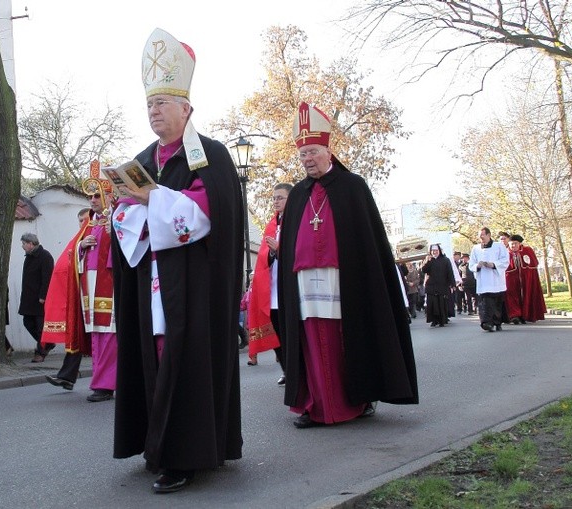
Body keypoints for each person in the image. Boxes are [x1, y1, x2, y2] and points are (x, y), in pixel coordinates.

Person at [111, 28, 242, 494]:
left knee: (184, 362)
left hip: (193, 286)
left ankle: (184, 456)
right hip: (153, 281)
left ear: (186, 108)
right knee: (156, 359)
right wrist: (128, 206)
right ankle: (159, 446)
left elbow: (205, 216)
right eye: (150, 104)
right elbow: (124, 220)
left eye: (163, 102)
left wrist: (152, 199)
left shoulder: (210, 156)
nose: (154, 111)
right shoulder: (142, 159)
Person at [277, 101, 418, 429]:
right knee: (310, 342)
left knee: (348, 340)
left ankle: (357, 399)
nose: (308, 160)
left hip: (346, 281)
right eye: (302, 155)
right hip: (306, 284)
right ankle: (315, 404)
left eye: (313, 152)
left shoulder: (353, 187)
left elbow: (368, 244)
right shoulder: (298, 195)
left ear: (328, 151)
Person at [43, 186, 118, 403]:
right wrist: (81, 246)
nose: (92, 200)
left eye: (96, 196)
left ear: (109, 196)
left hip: (109, 285)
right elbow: (73, 251)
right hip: (89, 286)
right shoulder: (91, 222)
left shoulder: (117, 216)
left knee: (108, 335)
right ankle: (100, 381)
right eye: (90, 196)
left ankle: (104, 384)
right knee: (96, 335)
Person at [246, 182, 292, 385]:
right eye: (274, 198)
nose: (275, 201)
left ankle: (295, 371)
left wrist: (280, 249)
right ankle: (286, 370)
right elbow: (264, 256)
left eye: (280, 197)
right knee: (277, 335)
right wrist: (273, 252)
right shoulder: (272, 225)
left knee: (291, 336)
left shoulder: (296, 222)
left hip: (290, 290)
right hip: (271, 292)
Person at [18, 233, 54, 362]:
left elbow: (47, 278)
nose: (22, 246)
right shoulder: (29, 257)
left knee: (41, 327)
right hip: (29, 298)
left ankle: (41, 352)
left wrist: (43, 296)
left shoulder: (45, 256)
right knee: (28, 322)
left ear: (30, 243)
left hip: (40, 299)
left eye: (23, 244)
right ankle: (48, 343)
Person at [469, 227, 509, 332]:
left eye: (482, 235)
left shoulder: (499, 246)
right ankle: (487, 323)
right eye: (479, 235)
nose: (480, 237)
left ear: (489, 235)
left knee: (497, 304)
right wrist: (478, 266)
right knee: (485, 304)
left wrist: (494, 264)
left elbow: (505, 260)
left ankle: (497, 322)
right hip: (483, 281)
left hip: (496, 280)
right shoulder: (476, 248)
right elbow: (471, 264)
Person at [503, 234, 546, 324]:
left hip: (526, 281)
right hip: (511, 281)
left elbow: (533, 264)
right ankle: (514, 315)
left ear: (519, 244)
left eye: (515, 243)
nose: (513, 246)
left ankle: (525, 315)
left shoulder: (527, 251)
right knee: (512, 298)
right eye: (511, 244)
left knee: (526, 296)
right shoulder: (505, 253)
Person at [421, 244, 455, 327]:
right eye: (433, 251)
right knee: (432, 304)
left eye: (436, 250)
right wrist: (427, 261)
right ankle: (434, 320)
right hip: (431, 286)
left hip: (442, 285)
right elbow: (423, 270)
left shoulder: (445, 260)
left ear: (439, 251)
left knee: (441, 304)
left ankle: (442, 320)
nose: (434, 252)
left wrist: (452, 284)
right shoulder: (429, 260)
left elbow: (450, 272)